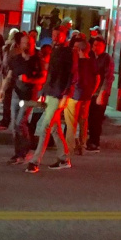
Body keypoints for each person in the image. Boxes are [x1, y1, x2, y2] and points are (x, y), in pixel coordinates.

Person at [26, 27, 76, 173]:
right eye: (53, 35)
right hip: (51, 92)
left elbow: (71, 75)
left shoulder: (68, 52)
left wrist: (66, 95)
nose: (54, 37)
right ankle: (63, 158)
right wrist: (44, 91)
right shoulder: (56, 50)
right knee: (54, 127)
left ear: (64, 36)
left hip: (58, 94)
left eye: (57, 35)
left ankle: (35, 161)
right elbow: (51, 74)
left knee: (46, 126)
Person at [0, 33, 45, 165]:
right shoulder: (17, 59)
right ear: (20, 44)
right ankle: (18, 153)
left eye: (29, 43)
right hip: (16, 94)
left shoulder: (37, 60)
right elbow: (9, 75)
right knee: (14, 126)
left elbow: (43, 78)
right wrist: (2, 90)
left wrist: (29, 80)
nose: (27, 46)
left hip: (29, 95)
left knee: (20, 123)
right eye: (25, 43)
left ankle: (25, 150)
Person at [64, 39, 97, 156]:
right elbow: (97, 78)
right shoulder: (92, 61)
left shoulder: (76, 62)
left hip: (74, 95)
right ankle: (82, 145)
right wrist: (93, 91)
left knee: (71, 123)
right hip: (87, 96)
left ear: (79, 49)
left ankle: (69, 147)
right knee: (83, 121)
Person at [86, 37, 115, 152]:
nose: (96, 48)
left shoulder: (107, 59)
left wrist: (102, 92)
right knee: (89, 117)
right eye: (94, 45)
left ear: (103, 46)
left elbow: (108, 77)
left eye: (98, 45)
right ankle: (89, 140)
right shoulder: (91, 57)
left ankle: (95, 142)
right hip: (90, 91)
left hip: (100, 92)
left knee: (96, 118)